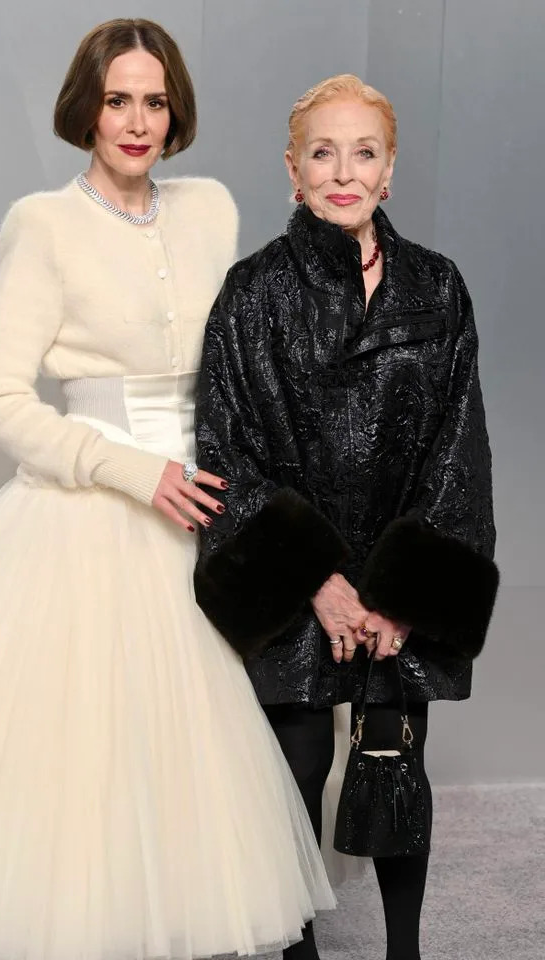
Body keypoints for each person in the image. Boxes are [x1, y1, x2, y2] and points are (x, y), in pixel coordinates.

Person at [0, 20, 334, 960]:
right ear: (84, 106)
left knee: (213, 749)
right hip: (91, 513)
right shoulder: (43, 227)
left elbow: (247, 359)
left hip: (214, 503)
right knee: (84, 757)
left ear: (177, 113)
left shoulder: (210, 209)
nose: (136, 121)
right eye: (117, 99)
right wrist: (132, 472)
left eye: (155, 101)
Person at [194, 74, 498, 960]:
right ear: (292, 171)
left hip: (396, 586)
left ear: (389, 170)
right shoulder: (251, 296)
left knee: (396, 766)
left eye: (363, 152)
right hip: (302, 586)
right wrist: (318, 584)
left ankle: (405, 950)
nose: (343, 170)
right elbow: (228, 448)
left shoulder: (437, 291)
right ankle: (296, 951)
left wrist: (402, 597)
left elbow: (458, 450)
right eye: (322, 152)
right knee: (293, 772)